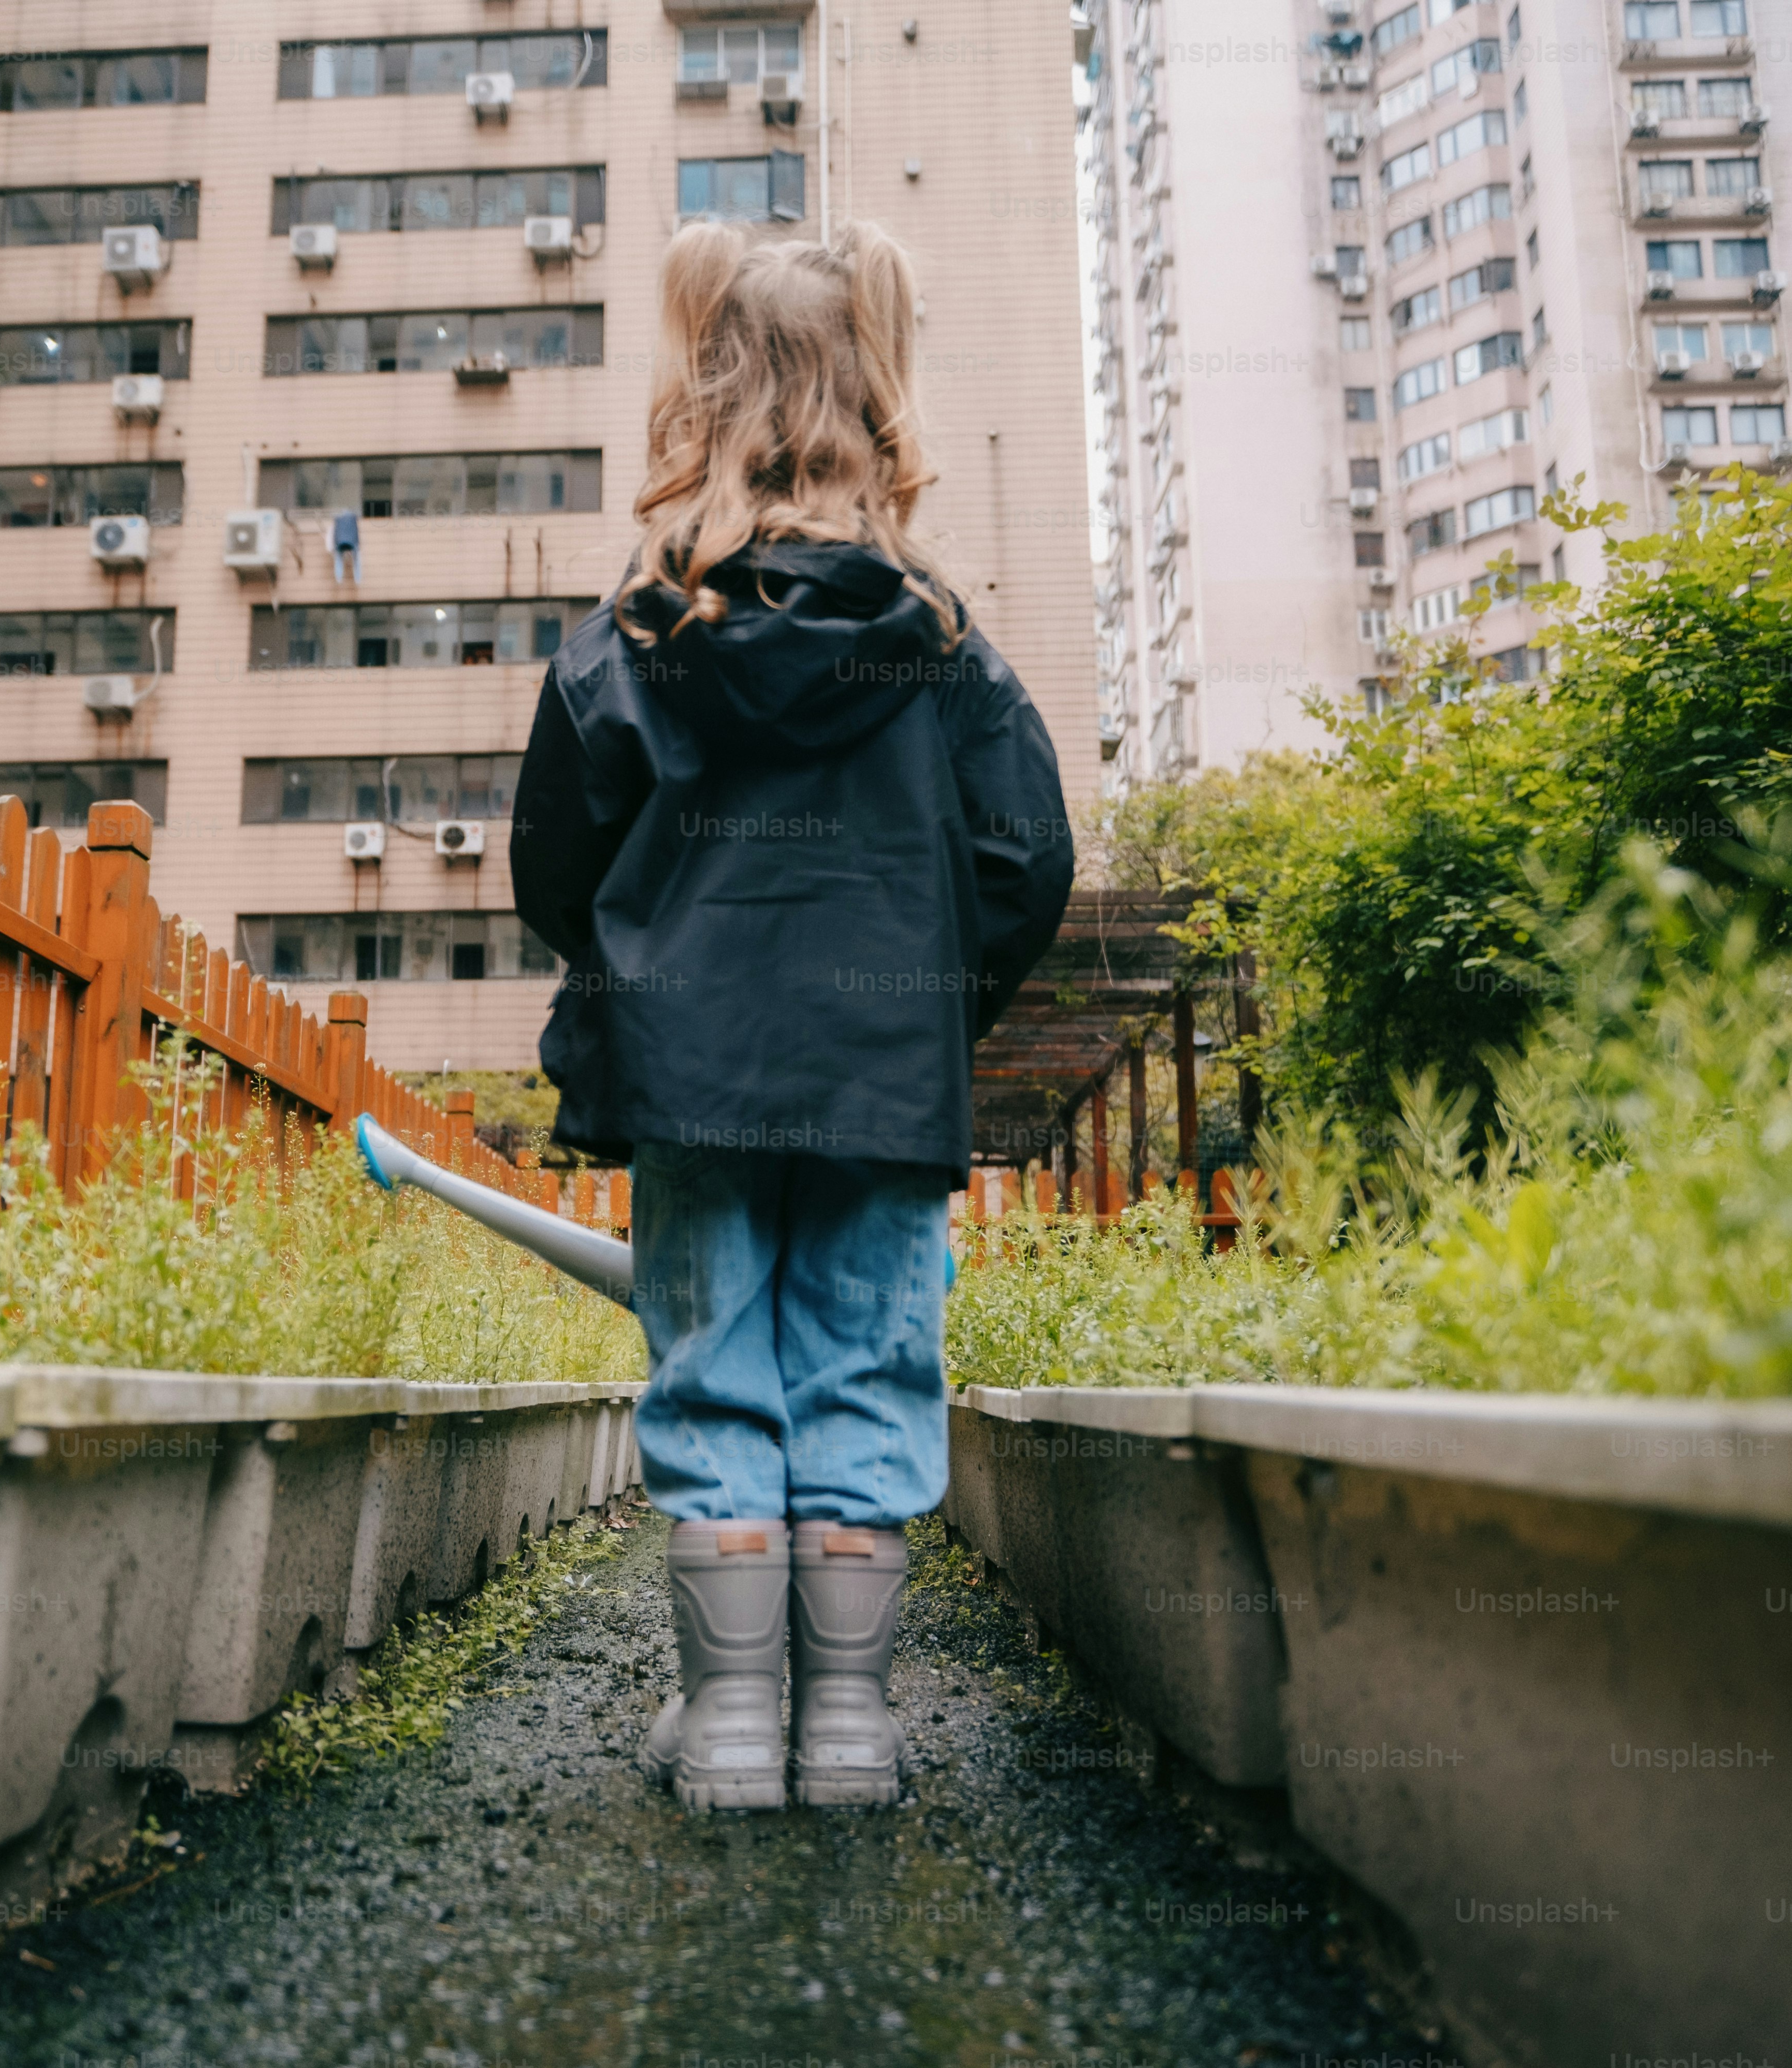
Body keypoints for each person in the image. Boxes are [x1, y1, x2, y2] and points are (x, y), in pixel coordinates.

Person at [510, 221, 1074, 1814]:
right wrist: (924, 1016)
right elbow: (1026, 859)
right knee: (865, 1380)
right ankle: (849, 1732)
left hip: (691, 1086)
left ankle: (735, 1730)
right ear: (879, 400)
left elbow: (551, 864)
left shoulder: (629, 644)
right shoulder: (946, 654)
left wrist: (645, 975)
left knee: (714, 1384)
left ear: (701, 394)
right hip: (885, 1089)